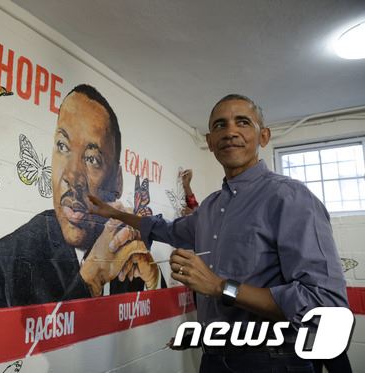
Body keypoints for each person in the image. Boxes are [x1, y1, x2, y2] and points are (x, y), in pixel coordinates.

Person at [89, 94, 349, 372]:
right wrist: (114, 213)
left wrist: (220, 287)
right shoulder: (212, 207)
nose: (231, 132)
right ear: (210, 142)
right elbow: (166, 229)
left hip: (273, 361)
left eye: (243, 122)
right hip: (213, 359)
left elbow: (324, 304)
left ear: (264, 137)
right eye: (220, 125)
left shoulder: (290, 198)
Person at [0, 84, 162, 311]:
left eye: (92, 159)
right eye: (62, 146)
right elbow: (22, 347)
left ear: (117, 182)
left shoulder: (125, 242)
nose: (72, 176)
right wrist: (89, 280)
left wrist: (155, 282)